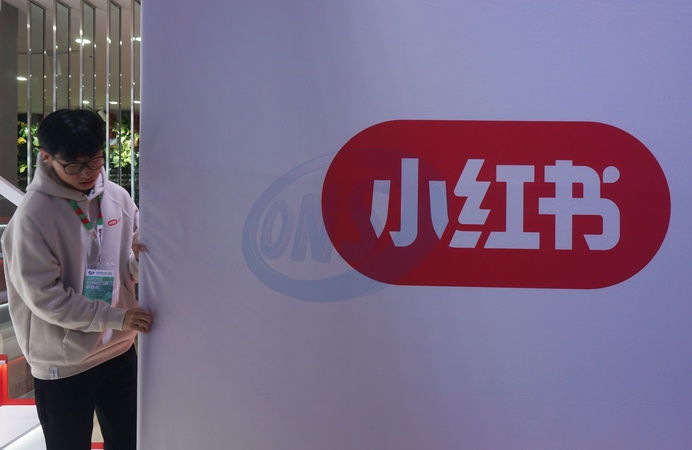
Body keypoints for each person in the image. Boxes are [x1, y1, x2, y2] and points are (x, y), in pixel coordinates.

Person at [1, 108, 153, 450]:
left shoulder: (117, 197)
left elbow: (128, 269)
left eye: (95, 161)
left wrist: (142, 260)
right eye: (74, 165)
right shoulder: (32, 217)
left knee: (130, 441)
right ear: (47, 157)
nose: (87, 173)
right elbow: (47, 298)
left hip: (118, 349)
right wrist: (117, 317)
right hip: (63, 362)